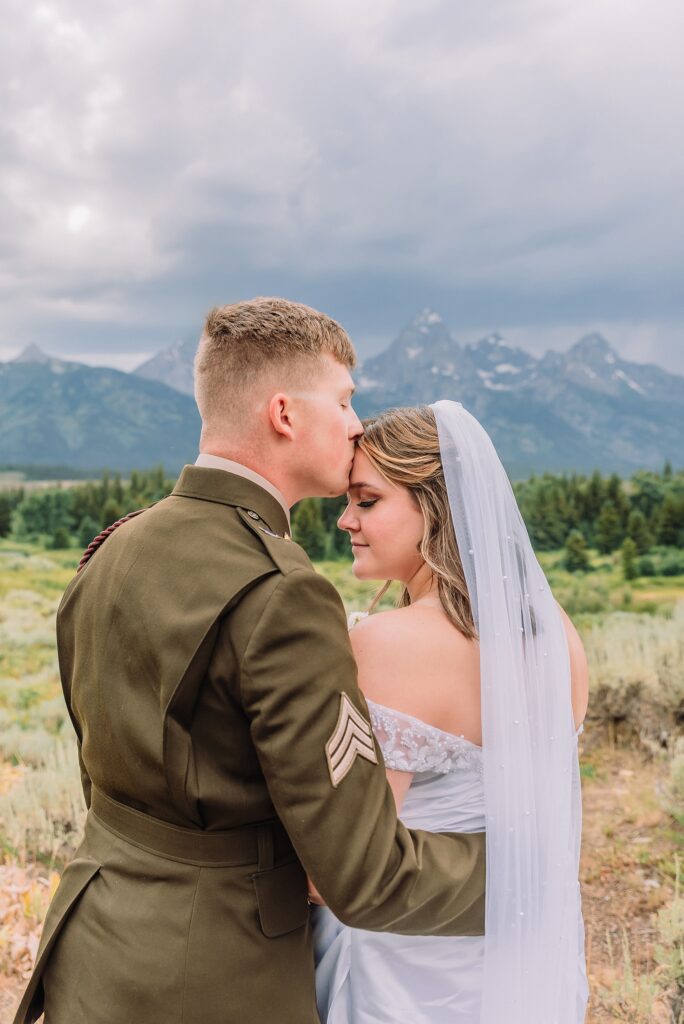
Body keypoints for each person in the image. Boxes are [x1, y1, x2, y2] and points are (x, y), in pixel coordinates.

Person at [12, 300, 486, 1024]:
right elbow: (364, 876)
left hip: (92, 933)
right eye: (344, 400)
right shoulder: (284, 593)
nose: (355, 423)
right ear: (285, 414)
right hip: (217, 971)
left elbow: (105, 770)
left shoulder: (112, 550)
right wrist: (518, 873)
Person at [312, 402, 589, 1024]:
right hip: (515, 957)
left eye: (366, 501)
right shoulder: (557, 632)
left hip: (403, 968)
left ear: (436, 508)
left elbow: (342, 869)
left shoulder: (389, 644)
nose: (345, 520)